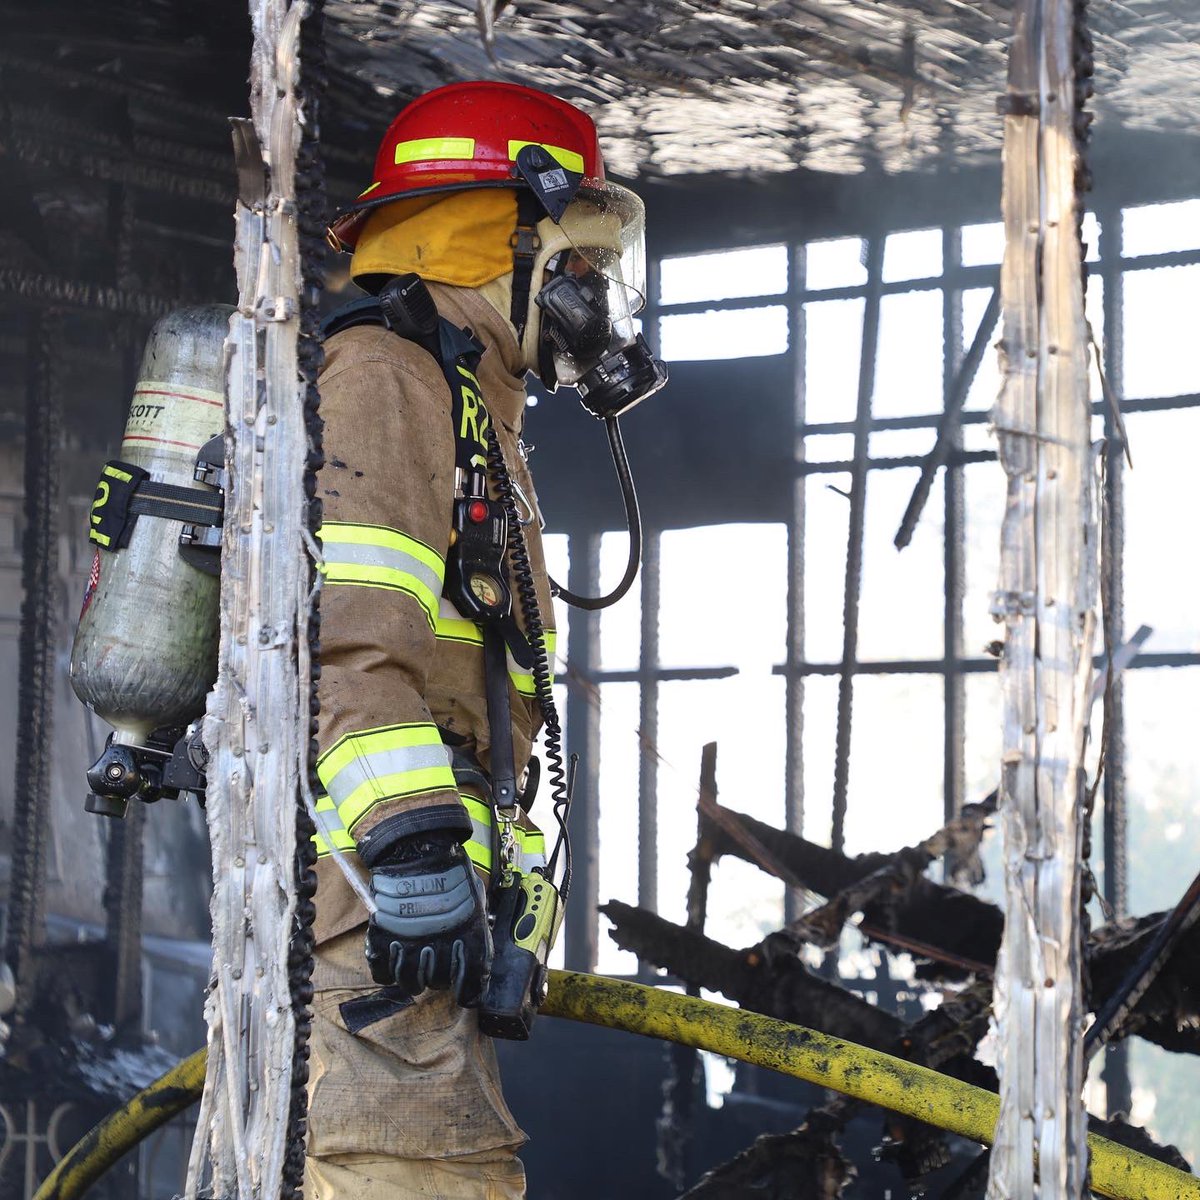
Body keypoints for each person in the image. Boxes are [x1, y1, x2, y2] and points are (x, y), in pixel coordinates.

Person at [305, 80, 662, 1200]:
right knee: (410, 1168)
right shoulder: (385, 376)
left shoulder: (467, 397)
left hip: (418, 919)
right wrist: (414, 855)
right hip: (376, 911)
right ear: (489, 238)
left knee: (451, 1161)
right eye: (578, 259)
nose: (593, 292)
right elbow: (344, 649)